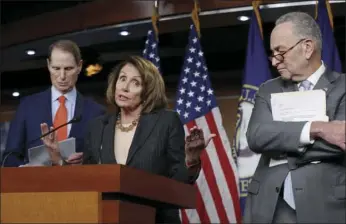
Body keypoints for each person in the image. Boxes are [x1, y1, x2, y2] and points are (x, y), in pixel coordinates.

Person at [40, 56, 214, 223]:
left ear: (147, 92)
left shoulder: (166, 122)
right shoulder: (98, 126)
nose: (124, 87)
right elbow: (88, 181)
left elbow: (179, 182)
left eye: (135, 83)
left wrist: (191, 159)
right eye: (122, 79)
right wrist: (57, 158)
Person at [243, 12, 345, 223]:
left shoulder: (343, 87)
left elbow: (340, 141)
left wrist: (281, 141)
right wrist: (316, 128)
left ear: (307, 47)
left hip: (328, 205)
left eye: (280, 52)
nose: (274, 62)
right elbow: (256, 136)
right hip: (270, 206)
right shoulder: (267, 90)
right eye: (272, 54)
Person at [3, 40, 106, 167]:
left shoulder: (96, 112)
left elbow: (102, 160)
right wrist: (24, 168)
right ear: (48, 65)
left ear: (79, 66)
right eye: (56, 68)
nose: (62, 76)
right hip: (34, 184)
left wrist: (85, 162)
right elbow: (9, 157)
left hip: (79, 185)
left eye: (68, 69)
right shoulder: (27, 106)